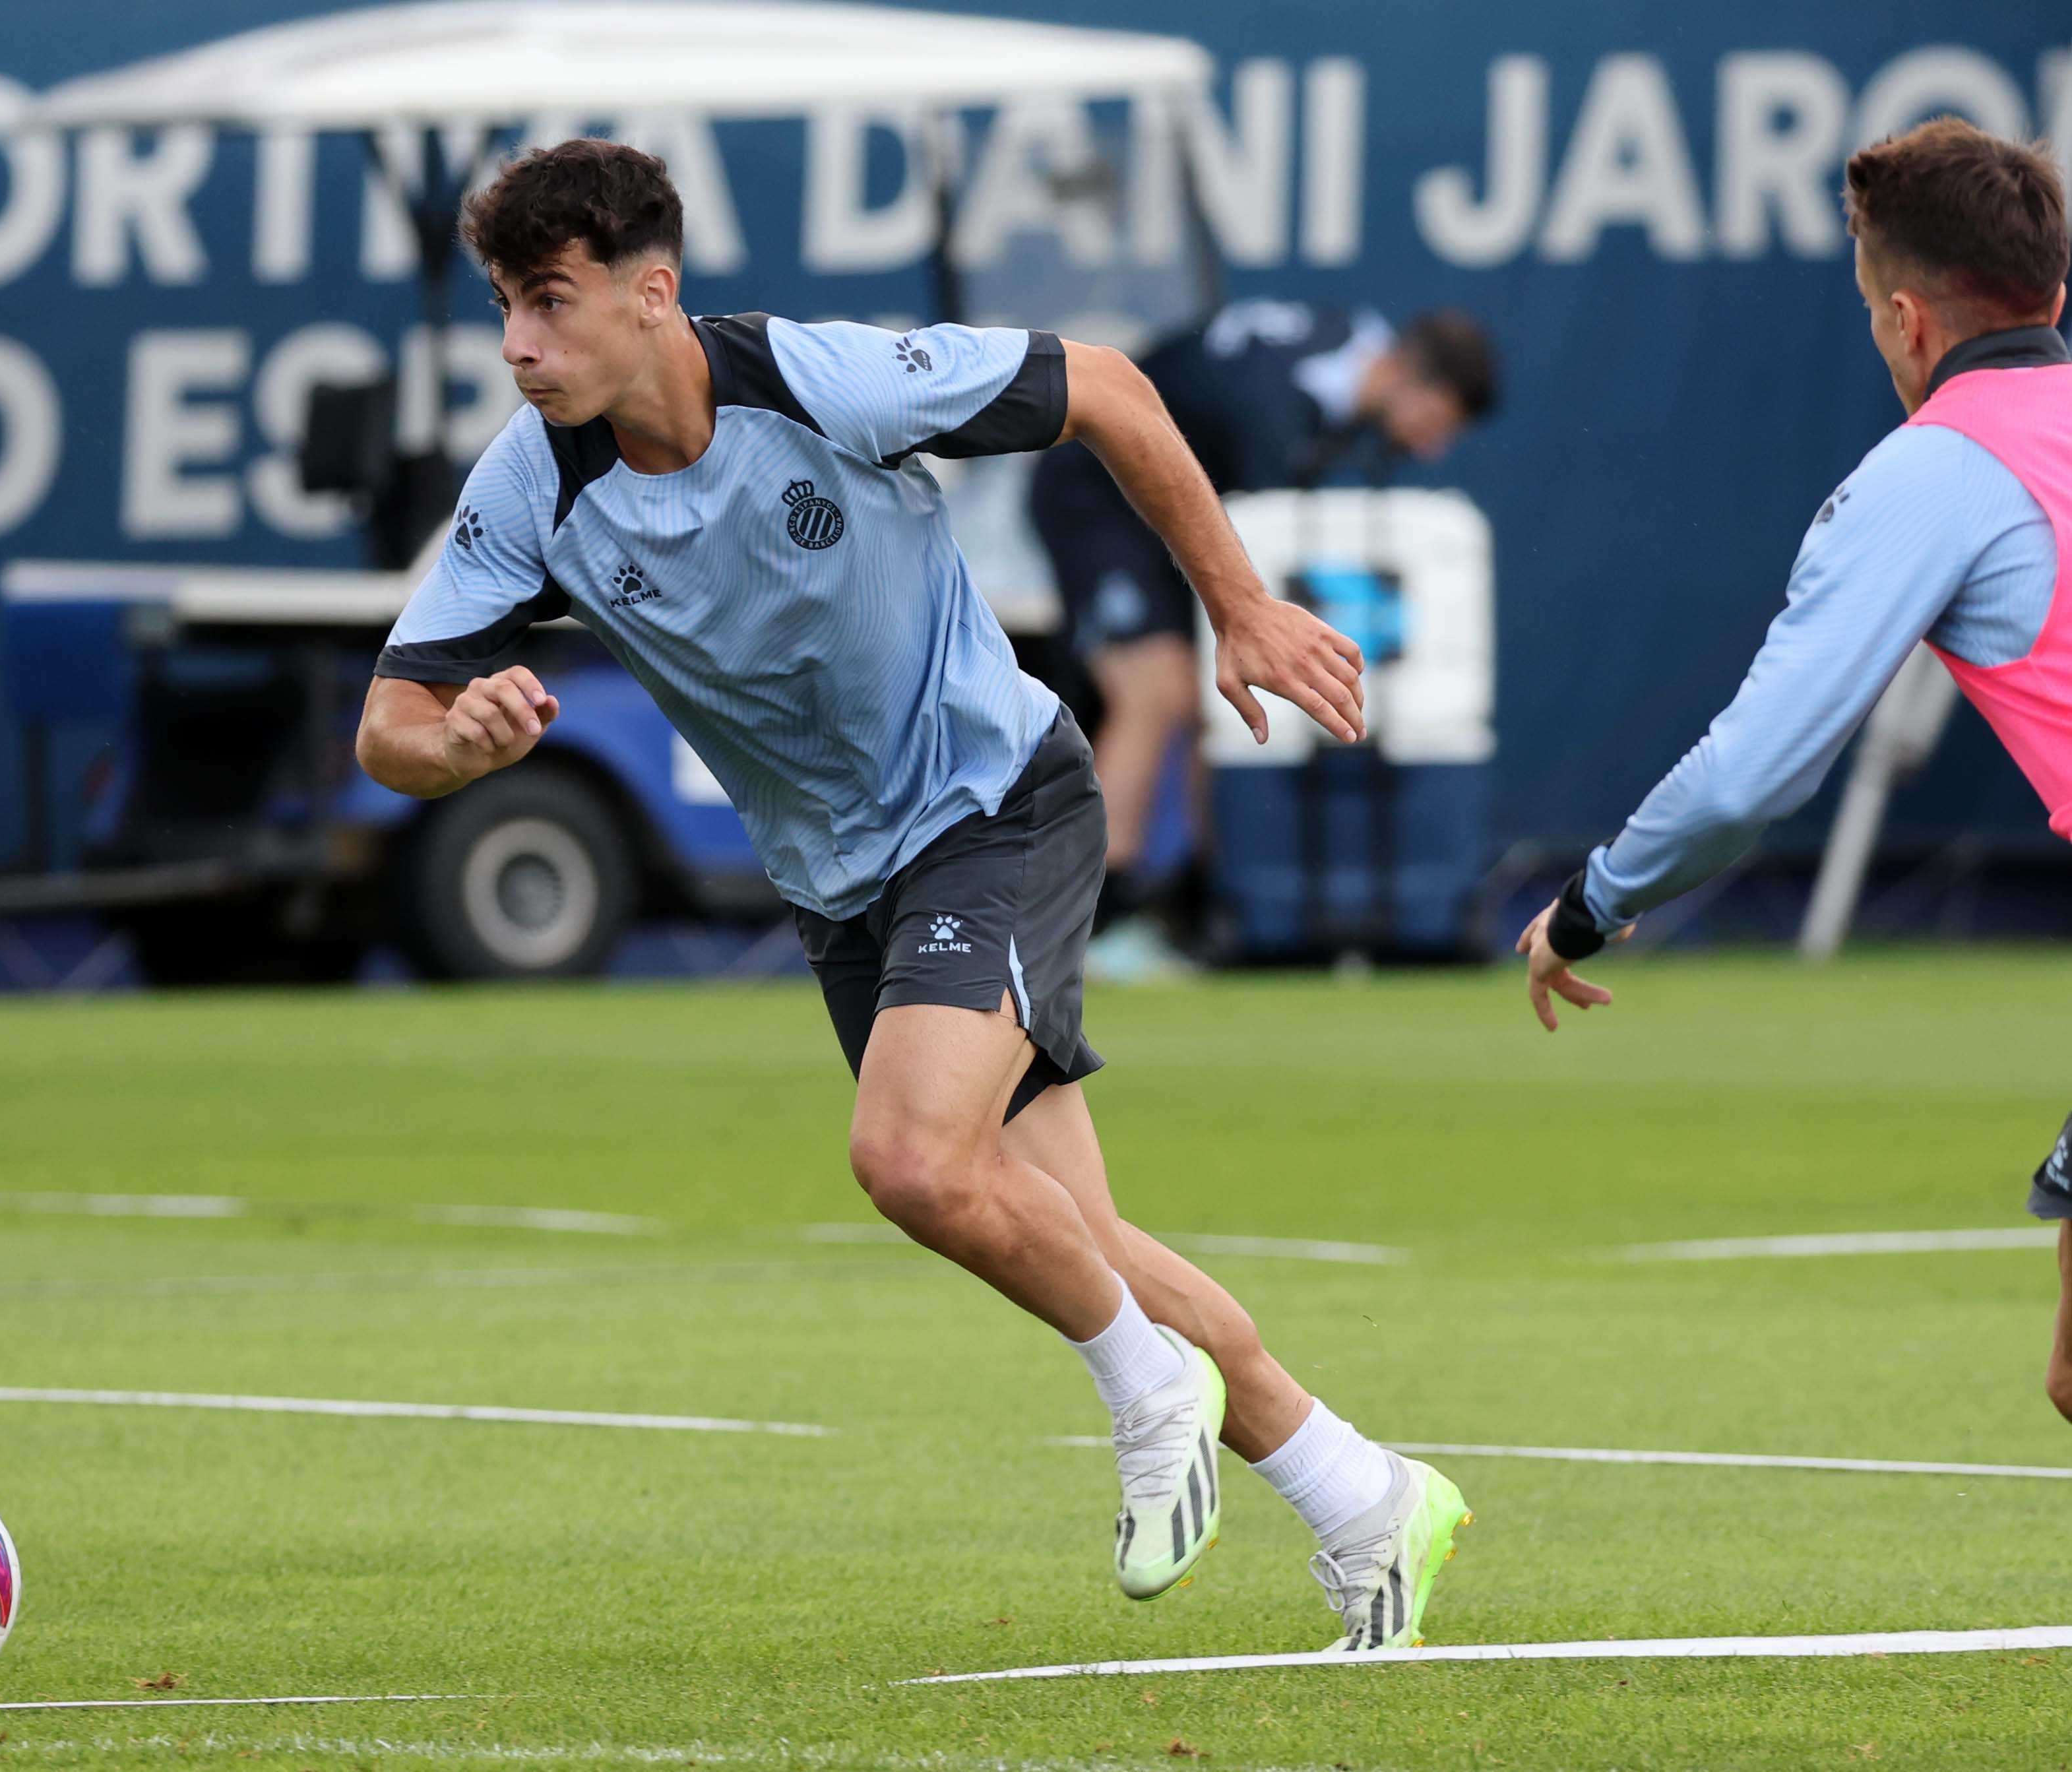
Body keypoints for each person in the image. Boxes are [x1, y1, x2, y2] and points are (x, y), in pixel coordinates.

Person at [356, 140, 1471, 1649]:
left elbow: (1109, 389)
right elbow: (391, 724)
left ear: (651, 293)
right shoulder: (532, 485)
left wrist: (1236, 604)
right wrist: (457, 747)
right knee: (1071, 1234)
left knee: (906, 1156)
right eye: (504, 304)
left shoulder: (820, 381)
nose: (516, 343)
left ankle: (1148, 1390)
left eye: (547, 300)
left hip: (995, 803)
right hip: (840, 886)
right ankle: (1363, 1492)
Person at [1515, 117, 2072, 1418]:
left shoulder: (1934, 470)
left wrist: (1593, 900)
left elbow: (1746, 777)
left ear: (1904, 320)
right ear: (2048, 295)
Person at [1027, 303, 1500, 974]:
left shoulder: (1347, 349)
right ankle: (1083, 917)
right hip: (1096, 493)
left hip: (1160, 504)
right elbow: (1240, 534)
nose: (1431, 448)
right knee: (1155, 693)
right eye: (1436, 421)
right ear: (1404, 373)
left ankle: (1196, 902)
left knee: (1212, 697)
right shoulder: (1275, 409)